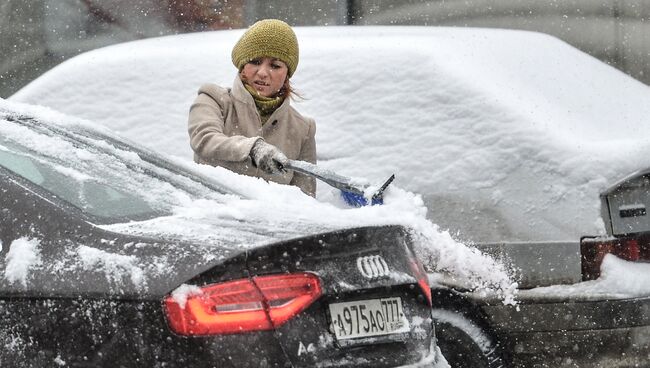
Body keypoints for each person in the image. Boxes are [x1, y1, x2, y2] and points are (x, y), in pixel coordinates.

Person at [188, 19, 317, 196]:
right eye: (255, 61)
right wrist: (253, 148)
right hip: (213, 220)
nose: (263, 72)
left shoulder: (303, 129)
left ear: (287, 74)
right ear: (242, 67)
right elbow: (204, 140)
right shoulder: (213, 100)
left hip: (272, 223)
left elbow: (306, 201)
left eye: (275, 65)